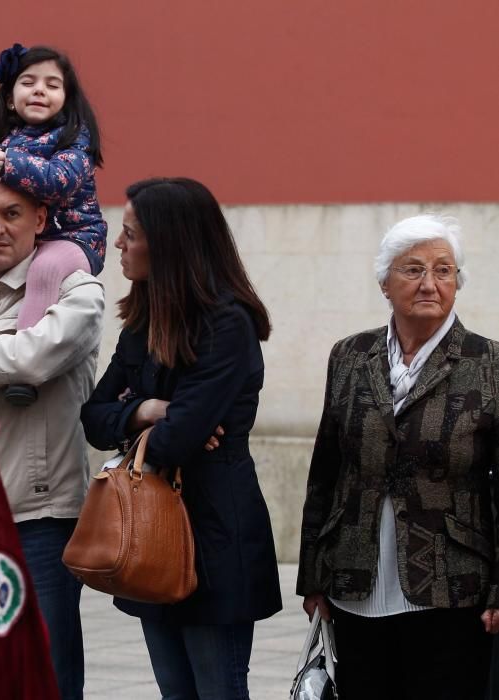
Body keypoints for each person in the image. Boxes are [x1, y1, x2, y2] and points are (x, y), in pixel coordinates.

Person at [81, 177, 282, 699]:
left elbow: (175, 441)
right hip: (147, 535)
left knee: (217, 689)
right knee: (175, 691)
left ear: (168, 243)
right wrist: (146, 409)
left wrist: (154, 424)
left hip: (215, 535)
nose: (118, 244)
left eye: (129, 233)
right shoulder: (142, 323)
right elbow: (93, 417)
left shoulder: (226, 324)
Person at [297, 214, 499, 699]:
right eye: (413, 270)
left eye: (443, 270)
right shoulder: (349, 355)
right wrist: (313, 574)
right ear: (385, 283)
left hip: (452, 587)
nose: (429, 283)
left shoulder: (487, 364)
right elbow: (326, 468)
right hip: (355, 579)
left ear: (457, 282)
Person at [0, 176, 104, 699]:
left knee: (47, 677)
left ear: (39, 220)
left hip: (40, 519)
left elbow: (32, 358)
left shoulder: (77, 290)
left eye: (11, 214)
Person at [0, 43, 106, 406]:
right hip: (23, 238)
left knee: (44, 270)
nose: (39, 89)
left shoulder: (74, 140)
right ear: (10, 99)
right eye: (28, 82)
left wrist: (7, 164)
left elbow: (59, 181)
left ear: (66, 98)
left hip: (73, 239)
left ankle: (20, 380)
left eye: (52, 84)